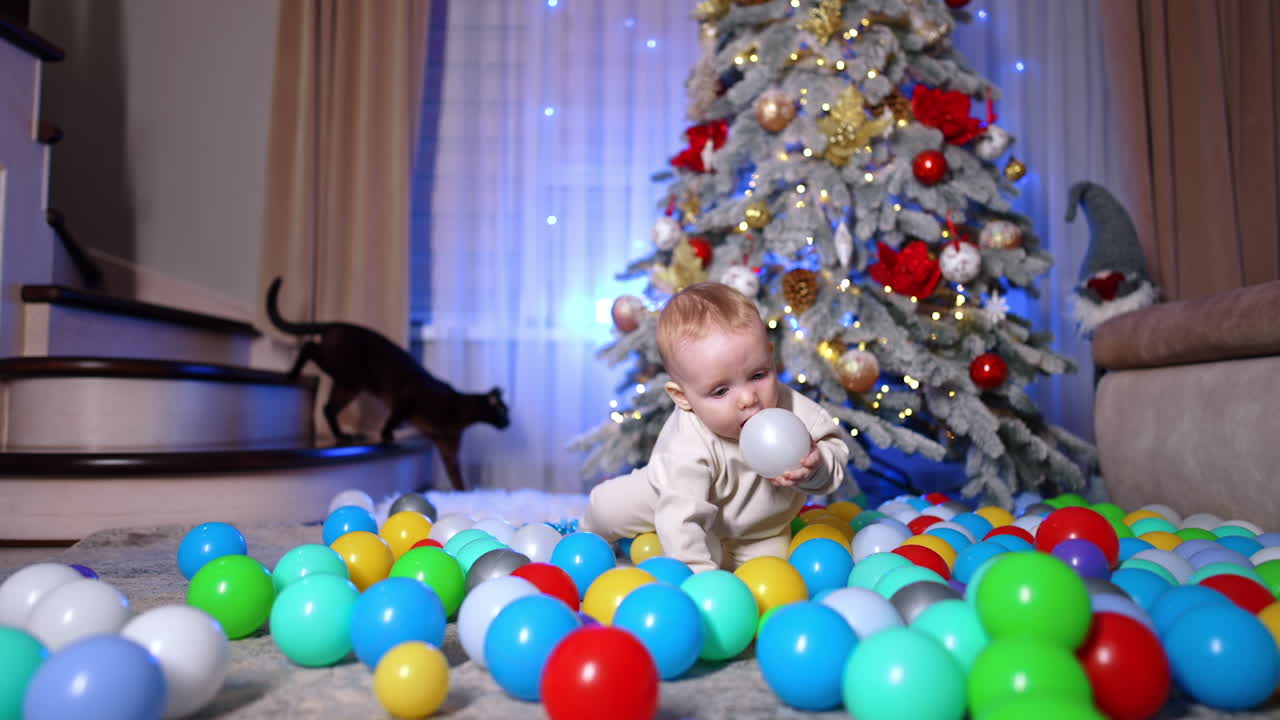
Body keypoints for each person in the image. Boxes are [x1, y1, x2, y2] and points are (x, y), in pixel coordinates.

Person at [582, 281, 851, 572]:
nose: (748, 398)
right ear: (683, 398)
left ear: (771, 358)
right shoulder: (687, 444)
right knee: (609, 508)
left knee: (770, 578)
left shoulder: (792, 408)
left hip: (761, 530)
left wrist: (816, 467)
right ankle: (587, 528)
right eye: (721, 391)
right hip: (671, 497)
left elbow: (834, 452)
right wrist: (700, 579)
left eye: (758, 375)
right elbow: (682, 521)